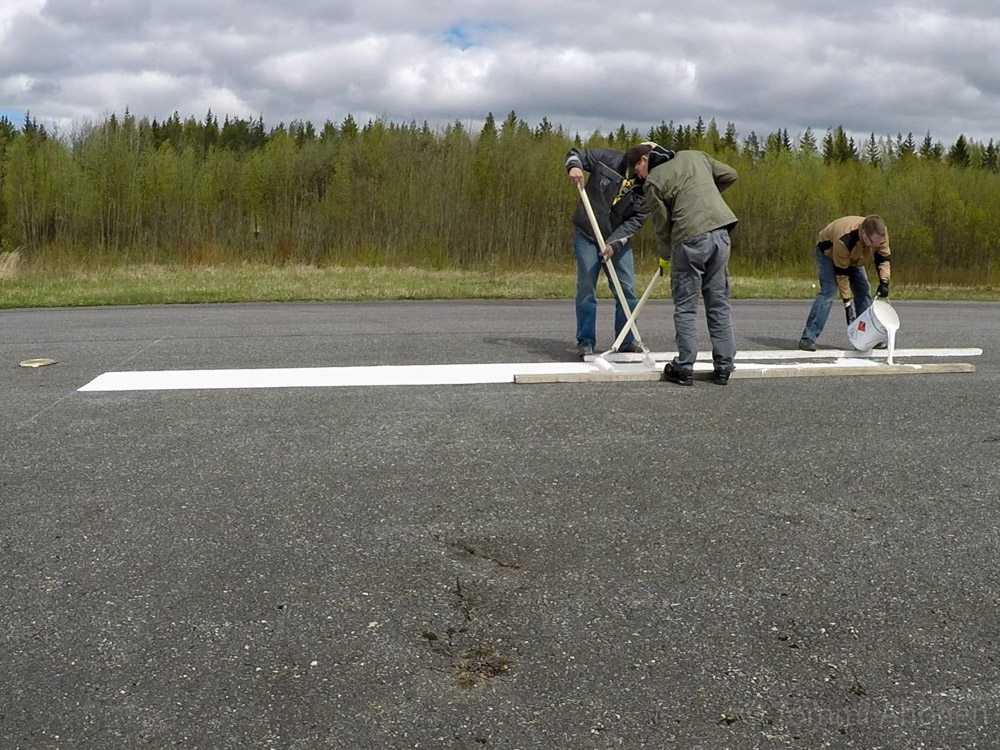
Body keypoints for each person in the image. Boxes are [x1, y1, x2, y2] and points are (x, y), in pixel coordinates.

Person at [627, 144, 739, 386]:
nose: (638, 175)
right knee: (718, 302)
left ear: (646, 159)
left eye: (637, 168)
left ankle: (684, 366)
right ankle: (724, 367)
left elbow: (662, 225)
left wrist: (665, 256)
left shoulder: (654, 182)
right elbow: (731, 175)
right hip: (721, 234)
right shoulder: (695, 156)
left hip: (689, 239)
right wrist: (706, 194)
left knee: (686, 305)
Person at [565, 145, 649, 359]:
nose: (648, 172)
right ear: (641, 160)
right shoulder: (606, 159)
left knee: (627, 290)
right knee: (586, 289)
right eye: (648, 165)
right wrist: (574, 167)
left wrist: (613, 244)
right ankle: (585, 341)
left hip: (616, 241)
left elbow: (636, 221)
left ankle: (626, 341)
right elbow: (575, 154)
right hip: (587, 234)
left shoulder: (648, 187)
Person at [798, 215, 891, 351]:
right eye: (873, 243)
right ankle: (808, 337)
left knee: (863, 291)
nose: (876, 246)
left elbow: (883, 258)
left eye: (878, 243)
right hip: (829, 254)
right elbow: (842, 275)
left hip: (855, 257)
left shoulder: (880, 235)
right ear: (863, 233)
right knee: (829, 291)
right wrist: (847, 305)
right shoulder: (845, 239)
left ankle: (868, 337)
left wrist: (884, 281)